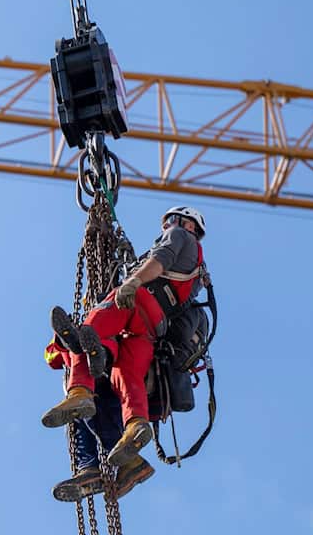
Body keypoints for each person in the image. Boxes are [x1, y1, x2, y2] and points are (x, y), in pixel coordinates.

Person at [41, 206, 208, 468]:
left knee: (97, 322)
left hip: (144, 305)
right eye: (167, 223)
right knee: (125, 372)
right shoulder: (197, 272)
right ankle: (135, 425)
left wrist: (133, 282)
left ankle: (80, 383)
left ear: (190, 227)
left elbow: (160, 259)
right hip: (150, 330)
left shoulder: (180, 237)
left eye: (173, 221)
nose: (167, 227)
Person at [44, 338, 155, 502]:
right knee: (78, 414)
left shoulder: (113, 322)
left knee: (88, 408)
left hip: (118, 382)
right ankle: (104, 467)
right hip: (122, 386)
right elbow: (52, 359)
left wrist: (64, 340)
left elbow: (53, 359)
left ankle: (128, 463)